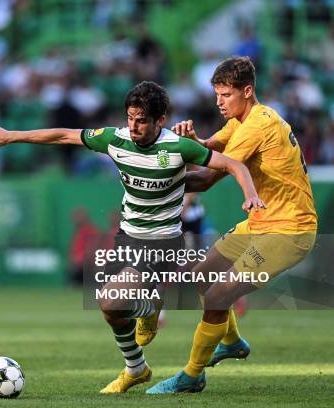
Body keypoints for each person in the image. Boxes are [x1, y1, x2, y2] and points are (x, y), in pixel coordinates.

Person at [0, 81, 264, 393]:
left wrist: (250, 196)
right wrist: (10, 136)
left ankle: (154, 312)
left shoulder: (178, 147)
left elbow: (234, 164)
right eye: (130, 118)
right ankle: (137, 366)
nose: (134, 125)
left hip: (162, 244)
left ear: (160, 120)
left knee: (109, 299)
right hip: (127, 240)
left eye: (142, 120)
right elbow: (64, 135)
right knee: (112, 310)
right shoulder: (115, 139)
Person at [147, 57, 317, 394]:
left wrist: (153, 182)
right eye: (217, 94)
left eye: (225, 94)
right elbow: (210, 149)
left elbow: (209, 177)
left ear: (247, 91)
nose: (219, 101)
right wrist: (192, 140)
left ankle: (192, 375)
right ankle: (234, 342)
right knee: (202, 277)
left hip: (289, 231)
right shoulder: (242, 120)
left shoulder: (257, 125)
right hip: (260, 222)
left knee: (218, 295)